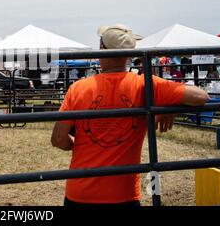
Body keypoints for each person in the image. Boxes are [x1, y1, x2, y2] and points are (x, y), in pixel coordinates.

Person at [51, 24, 209, 206]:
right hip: (124, 194)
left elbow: (58, 139)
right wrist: (170, 102)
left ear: (102, 48)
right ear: (129, 54)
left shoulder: (78, 88)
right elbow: (200, 96)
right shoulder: (146, 85)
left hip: (80, 192)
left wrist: (78, 145)